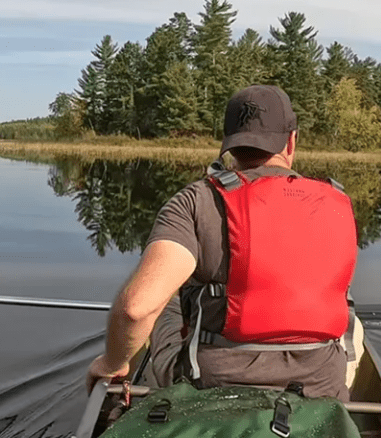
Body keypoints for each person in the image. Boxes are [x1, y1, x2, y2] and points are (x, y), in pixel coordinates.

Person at [86, 84, 359, 400]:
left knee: (167, 301)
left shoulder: (197, 200)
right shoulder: (338, 201)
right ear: (292, 140)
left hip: (210, 383)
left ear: (229, 142)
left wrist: (111, 362)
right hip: (320, 383)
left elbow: (136, 309)